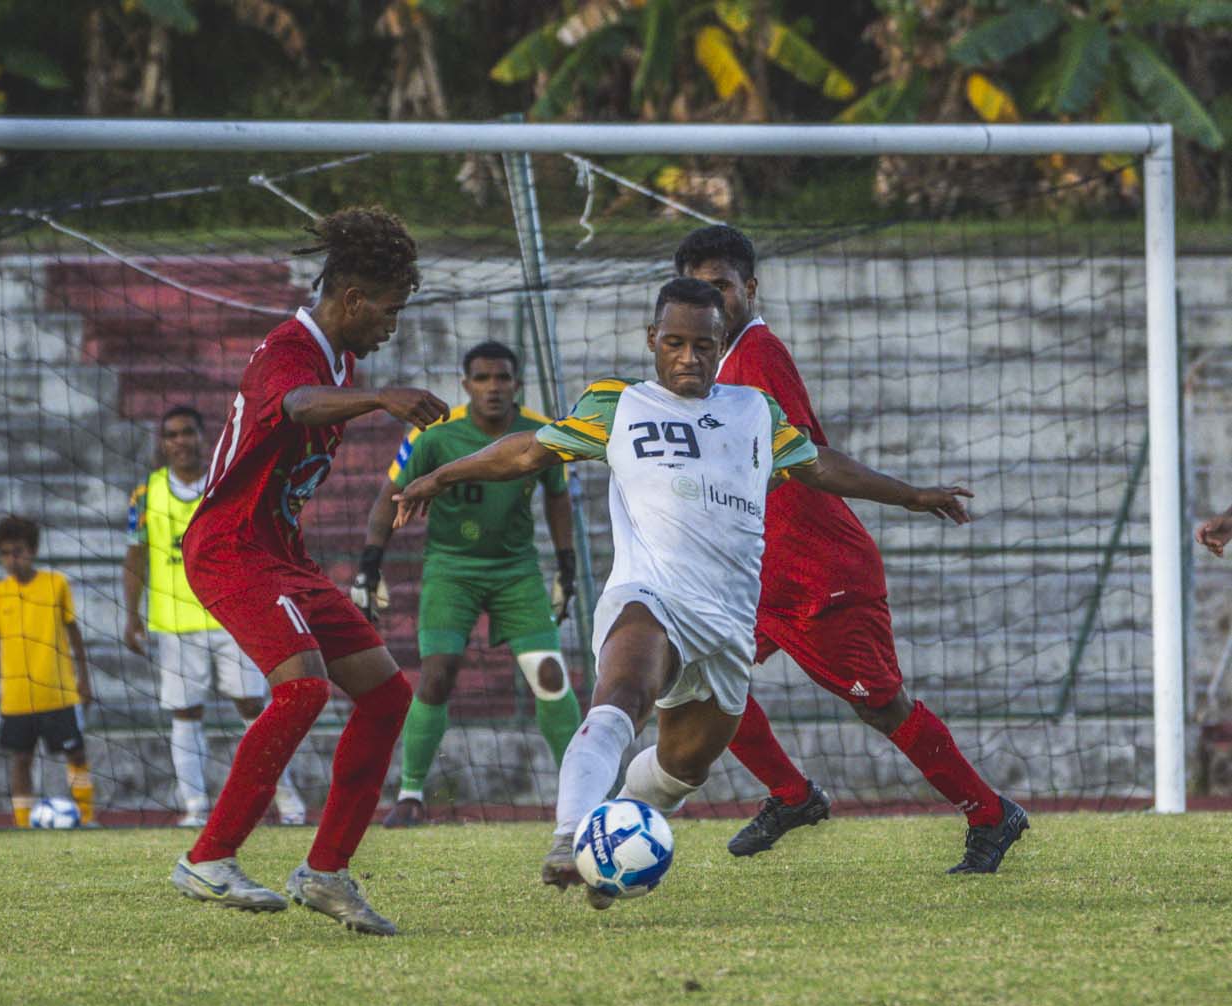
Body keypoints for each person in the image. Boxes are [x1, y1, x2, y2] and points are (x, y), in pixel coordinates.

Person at [394, 278, 973, 909]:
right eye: (674, 343)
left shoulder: (755, 411)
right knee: (622, 696)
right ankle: (569, 835)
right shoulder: (619, 404)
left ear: (722, 346)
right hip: (652, 594)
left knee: (681, 767)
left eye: (703, 345)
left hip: (728, 620)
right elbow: (528, 452)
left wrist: (911, 495)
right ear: (652, 340)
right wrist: (440, 476)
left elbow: (819, 465)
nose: (688, 358)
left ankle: (606, 848)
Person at [675, 224, 1028, 874]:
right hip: (758, 576)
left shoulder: (758, 356)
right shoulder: (714, 368)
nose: (712, 300)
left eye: (722, 286)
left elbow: (809, 458)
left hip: (820, 575)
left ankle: (989, 812)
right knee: (694, 675)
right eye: (699, 290)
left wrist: (910, 495)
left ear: (749, 288)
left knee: (881, 706)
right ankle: (791, 795)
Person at [167, 206, 448, 937]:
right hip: (230, 547)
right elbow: (295, 405)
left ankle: (325, 872)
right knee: (304, 688)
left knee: (387, 696)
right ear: (352, 300)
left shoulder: (342, 362)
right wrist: (382, 398)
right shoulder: (289, 351)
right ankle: (208, 856)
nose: (392, 325)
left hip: (283, 554)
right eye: (389, 309)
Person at [354, 341, 582, 827]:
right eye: (482, 378)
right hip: (451, 569)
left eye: (502, 378)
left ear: (517, 384)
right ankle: (411, 794)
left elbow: (558, 498)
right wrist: (369, 566)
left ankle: (582, 792)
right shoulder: (434, 434)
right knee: (437, 674)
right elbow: (388, 497)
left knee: (549, 675)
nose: (492, 387)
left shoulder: (543, 433)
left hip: (516, 571)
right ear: (466, 385)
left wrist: (567, 565)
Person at [124, 404, 306, 828]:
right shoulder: (146, 493)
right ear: (162, 443)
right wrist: (132, 616)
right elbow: (135, 556)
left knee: (255, 706)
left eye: (188, 432)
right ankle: (195, 807)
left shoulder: (227, 482)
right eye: (172, 434)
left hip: (233, 616)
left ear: (204, 438)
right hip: (175, 623)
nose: (181, 441)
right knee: (185, 712)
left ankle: (286, 801)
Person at [0, 515, 97, 828]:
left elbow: (75, 635)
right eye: (4, 553)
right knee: (21, 760)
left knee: (76, 754)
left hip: (59, 692)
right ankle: (22, 822)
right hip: (17, 697)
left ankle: (87, 816)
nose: (11, 559)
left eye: (17, 551)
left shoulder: (56, 584)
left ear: (32, 550)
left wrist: (84, 679)